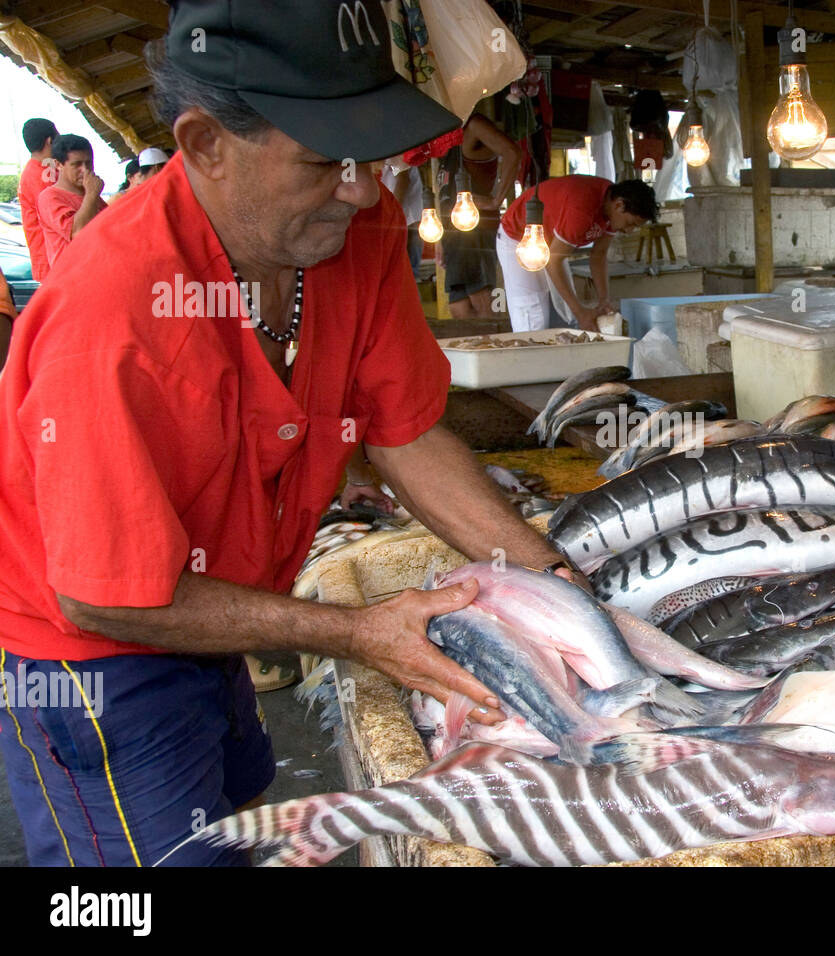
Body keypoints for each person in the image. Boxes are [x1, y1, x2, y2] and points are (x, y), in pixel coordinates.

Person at [0, 0, 581, 867]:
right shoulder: (111, 309)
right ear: (206, 147)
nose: (360, 187)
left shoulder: (359, 229)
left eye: (368, 155)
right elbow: (107, 595)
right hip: (93, 663)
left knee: (239, 822)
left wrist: (556, 585)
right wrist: (353, 631)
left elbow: (406, 432)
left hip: (219, 612)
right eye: (324, 161)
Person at [497, 175, 657, 332]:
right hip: (518, 237)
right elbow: (553, 261)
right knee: (533, 312)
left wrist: (604, 300)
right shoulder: (582, 210)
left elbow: (599, 255)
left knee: (565, 310)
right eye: (630, 224)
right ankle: (527, 355)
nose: (629, 231)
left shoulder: (611, 204)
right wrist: (581, 313)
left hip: (549, 242)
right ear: (619, 205)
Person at [437, 114, 522, 318]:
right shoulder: (446, 145)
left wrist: (496, 200)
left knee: (483, 303)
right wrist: (441, 237)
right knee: (459, 309)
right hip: (453, 235)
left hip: (475, 232)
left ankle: (497, 347)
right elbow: (445, 195)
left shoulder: (473, 127)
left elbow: (513, 152)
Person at [36, 133, 107, 271]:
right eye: (76, 164)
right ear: (58, 164)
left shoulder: (91, 195)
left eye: (88, 163)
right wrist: (92, 194)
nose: (85, 170)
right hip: (71, 282)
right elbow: (78, 232)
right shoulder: (50, 197)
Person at [17, 117, 57, 282]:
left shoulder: (39, 169)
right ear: (49, 141)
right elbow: (58, 219)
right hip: (50, 260)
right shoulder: (40, 175)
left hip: (49, 259)